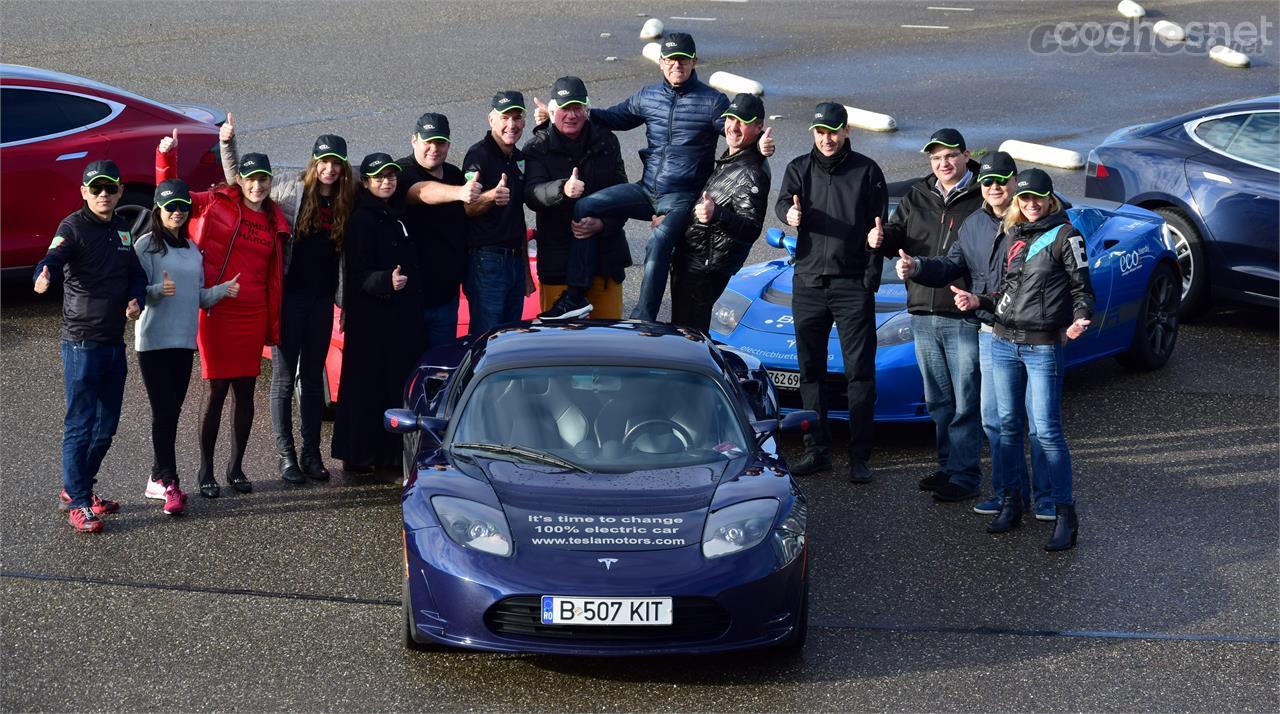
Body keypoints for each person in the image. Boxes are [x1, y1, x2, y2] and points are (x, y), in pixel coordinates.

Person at [534, 32, 774, 321]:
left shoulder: (712, 101)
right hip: (646, 191)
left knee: (659, 241)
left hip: (681, 197)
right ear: (661, 62)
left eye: (683, 60)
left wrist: (760, 146)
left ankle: (644, 317)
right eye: (671, 60)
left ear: (694, 62)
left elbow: (736, 131)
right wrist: (561, 113)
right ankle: (575, 296)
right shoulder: (648, 96)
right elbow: (612, 117)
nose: (677, 66)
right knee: (585, 206)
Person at [899, 151, 1052, 519]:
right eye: (988, 182)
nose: (994, 187)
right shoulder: (974, 225)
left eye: (1001, 181)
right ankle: (1008, 495)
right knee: (997, 422)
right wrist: (917, 266)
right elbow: (953, 263)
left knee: (1040, 426)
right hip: (990, 332)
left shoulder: (1031, 224)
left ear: (1015, 182)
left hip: (1033, 337)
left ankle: (1048, 499)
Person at [951, 169, 1093, 551]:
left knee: (1046, 431)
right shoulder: (1013, 236)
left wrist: (1080, 318)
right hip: (1001, 341)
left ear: (1050, 200)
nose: (1031, 205)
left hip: (1042, 346)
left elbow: (1082, 287)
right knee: (1008, 426)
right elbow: (1006, 295)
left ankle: (1065, 513)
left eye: (1038, 198)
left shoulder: (1067, 235)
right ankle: (1012, 502)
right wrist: (978, 301)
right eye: (1025, 199)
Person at [220, 117, 354, 485]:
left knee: (312, 379)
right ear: (313, 162)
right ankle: (286, 456)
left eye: (336, 162)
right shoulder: (288, 189)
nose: (329, 168)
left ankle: (312, 455)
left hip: (323, 301)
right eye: (323, 161)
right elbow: (241, 184)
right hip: (289, 300)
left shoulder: (346, 200)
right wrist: (228, 144)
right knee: (283, 380)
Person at [157, 132, 289, 498]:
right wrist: (166, 158)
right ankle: (205, 470)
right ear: (240, 181)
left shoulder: (276, 219)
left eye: (264, 179)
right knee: (215, 389)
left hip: (253, 311)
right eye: (251, 179)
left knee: (246, 388)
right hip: (217, 309)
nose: (258, 186)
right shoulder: (216, 202)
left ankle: (236, 468)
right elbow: (171, 194)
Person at [869, 128, 986, 503]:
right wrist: (882, 238)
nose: (943, 164)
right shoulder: (918, 194)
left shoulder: (982, 195)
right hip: (922, 309)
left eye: (950, 156)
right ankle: (948, 466)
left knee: (966, 400)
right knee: (938, 400)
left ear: (966, 155)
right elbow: (899, 234)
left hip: (962, 312)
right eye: (936, 158)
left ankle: (966, 476)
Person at [775, 103, 888, 483]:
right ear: (813, 133)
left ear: (847, 131)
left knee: (859, 372)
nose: (827, 139)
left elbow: (880, 227)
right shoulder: (797, 169)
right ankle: (816, 450)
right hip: (807, 283)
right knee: (811, 370)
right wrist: (787, 216)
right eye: (821, 132)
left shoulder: (867, 171)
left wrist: (871, 273)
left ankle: (860, 456)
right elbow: (781, 202)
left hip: (851, 284)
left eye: (834, 131)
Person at [34, 159, 146, 532]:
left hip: (113, 342)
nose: (103, 194)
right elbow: (53, 256)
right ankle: (80, 502)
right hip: (81, 344)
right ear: (83, 192)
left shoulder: (121, 228)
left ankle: (77, 486)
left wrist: (136, 300)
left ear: (119, 193)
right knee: (81, 425)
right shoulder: (73, 227)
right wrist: (44, 273)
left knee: (107, 426)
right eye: (95, 188)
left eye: (109, 188)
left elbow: (136, 275)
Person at [133, 179, 240, 516]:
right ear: (158, 210)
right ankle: (170, 483)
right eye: (171, 207)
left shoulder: (193, 250)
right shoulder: (145, 246)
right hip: (153, 343)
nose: (178, 212)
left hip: (183, 342)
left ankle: (155, 476)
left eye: (183, 206)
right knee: (163, 413)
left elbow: (200, 296)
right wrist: (154, 290)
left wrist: (223, 290)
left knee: (172, 413)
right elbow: (136, 291)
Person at [331, 154, 426, 473]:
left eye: (390, 176)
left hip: (397, 318)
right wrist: (386, 280)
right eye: (379, 177)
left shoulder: (396, 213)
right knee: (365, 388)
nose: (386, 182)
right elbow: (357, 272)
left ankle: (388, 453)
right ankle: (358, 455)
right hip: (371, 320)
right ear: (367, 182)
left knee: (391, 384)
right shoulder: (361, 220)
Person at [524, 76, 630, 320]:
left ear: (586, 109)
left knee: (609, 345)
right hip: (558, 266)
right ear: (552, 111)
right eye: (564, 108)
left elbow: (622, 196)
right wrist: (562, 189)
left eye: (576, 108)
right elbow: (531, 194)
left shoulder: (607, 141)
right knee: (560, 351)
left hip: (606, 265)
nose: (571, 115)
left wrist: (603, 224)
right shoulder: (536, 148)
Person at [670, 93, 771, 332]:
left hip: (705, 269)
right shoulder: (735, 156)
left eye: (742, 121)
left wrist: (716, 214)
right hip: (694, 262)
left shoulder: (751, 171)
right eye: (730, 119)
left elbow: (751, 228)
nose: (733, 127)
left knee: (690, 339)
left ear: (758, 127)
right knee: (685, 333)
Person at [394, 112, 482, 346]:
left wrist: (491, 197)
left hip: (446, 299)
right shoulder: (401, 172)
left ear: (448, 144)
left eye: (440, 142)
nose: (434, 148)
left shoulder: (454, 174)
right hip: (411, 298)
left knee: (440, 369)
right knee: (409, 368)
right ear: (414, 140)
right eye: (428, 142)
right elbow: (421, 192)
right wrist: (460, 193)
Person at [462, 91, 535, 336]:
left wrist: (525, 273)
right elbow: (467, 207)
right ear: (491, 119)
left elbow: (518, 216)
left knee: (510, 337)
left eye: (517, 118)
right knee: (486, 337)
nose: (511, 125)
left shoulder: (520, 158)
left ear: (524, 121)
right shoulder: (478, 155)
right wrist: (490, 197)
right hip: (487, 261)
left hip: (514, 262)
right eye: (505, 117)